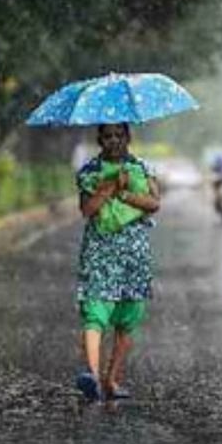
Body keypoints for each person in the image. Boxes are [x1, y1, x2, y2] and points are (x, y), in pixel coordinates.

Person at [74, 122, 161, 401]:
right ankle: (92, 374)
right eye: (108, 136)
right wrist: (107, 188)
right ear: (99, 139)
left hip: (134, 253)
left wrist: (124, 192)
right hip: (100, 251)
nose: (113, 141)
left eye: (119, 135)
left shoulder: (143, 167)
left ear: (128, 137)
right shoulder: (89, 172)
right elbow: (87, 210)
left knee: (127, 319)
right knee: (95, 311)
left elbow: (154, 204)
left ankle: (111, 380)